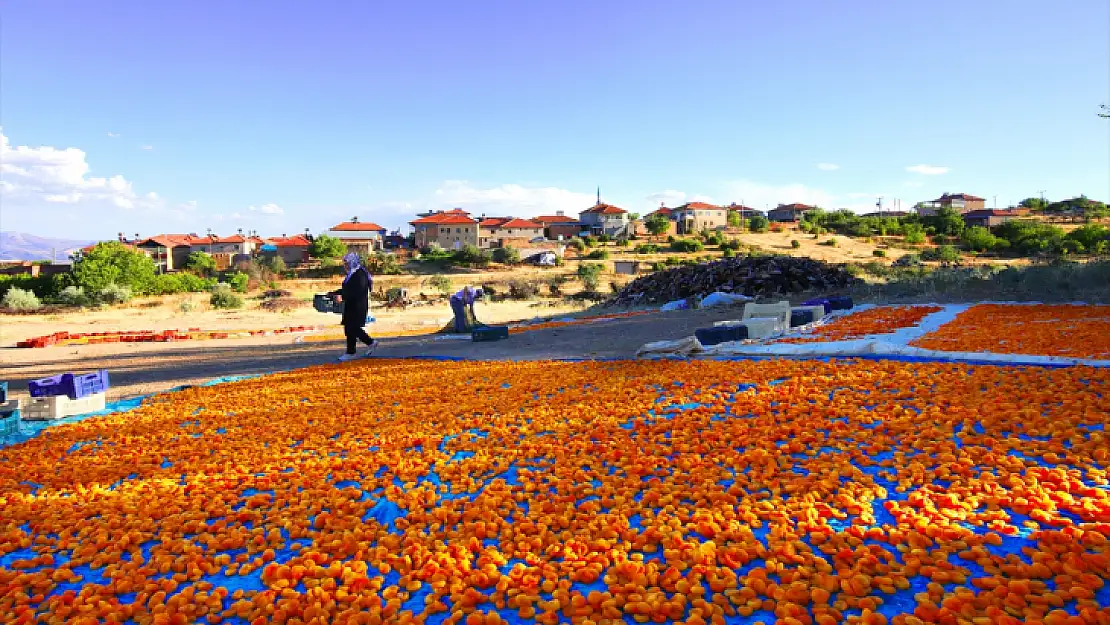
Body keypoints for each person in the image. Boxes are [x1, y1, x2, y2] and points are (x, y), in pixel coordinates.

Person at [330, 252, 378, 361]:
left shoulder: (360, 274)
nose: (345, 265)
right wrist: (334, 293)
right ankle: (351, 352)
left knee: (353, 328)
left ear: (353, 261)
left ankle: (369, 343)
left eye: (346, 263)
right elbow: (347, 289)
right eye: (344, 263)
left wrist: (343, 297)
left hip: (358, 306)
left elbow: (358, 290)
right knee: (349, 328)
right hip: (351, 305)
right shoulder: (352, 273)